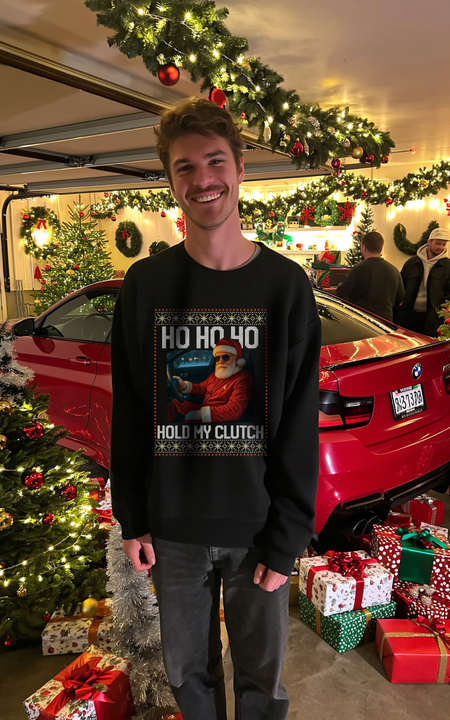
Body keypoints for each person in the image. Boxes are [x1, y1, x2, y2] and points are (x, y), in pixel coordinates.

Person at [110, 97, 321, 720]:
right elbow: (131, 413)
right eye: (185, 167)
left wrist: (288, 537)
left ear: (240, 169)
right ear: (170, 180)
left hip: (257, 527)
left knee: (262, 685)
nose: (203, 179)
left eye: (215, 161)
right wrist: (132, 518)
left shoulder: (285, 287)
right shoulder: (145, 286)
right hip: (172, 530)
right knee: (187, 678)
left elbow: (299, 424)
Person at [168, 337, 254, 422]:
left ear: (237, 360)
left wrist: (200, 415)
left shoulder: (243, 380)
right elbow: (202, 388)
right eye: (217, 358)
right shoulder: (215, 375)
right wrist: (184, 385)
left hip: (219, 418)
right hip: (205, 407)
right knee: (175, 404)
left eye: (226, 357)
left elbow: (233, 411)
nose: (221, 361)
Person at [335, 231, 404, 321]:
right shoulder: (394, 271)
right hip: (386, 322)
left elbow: (342, 293)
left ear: (364, 247)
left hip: (362, 321)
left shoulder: (358, 269)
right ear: (381, 248)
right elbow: (400, 298)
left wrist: (340, 286)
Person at [395, 227, 450, 335]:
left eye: (444, 244)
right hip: (408, 315)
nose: (441, 247)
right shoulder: (412, 263)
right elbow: (400, 285)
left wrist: (441, 310)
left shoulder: (447, 266)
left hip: (432, 318)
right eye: (438, 243)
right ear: (429, 242)